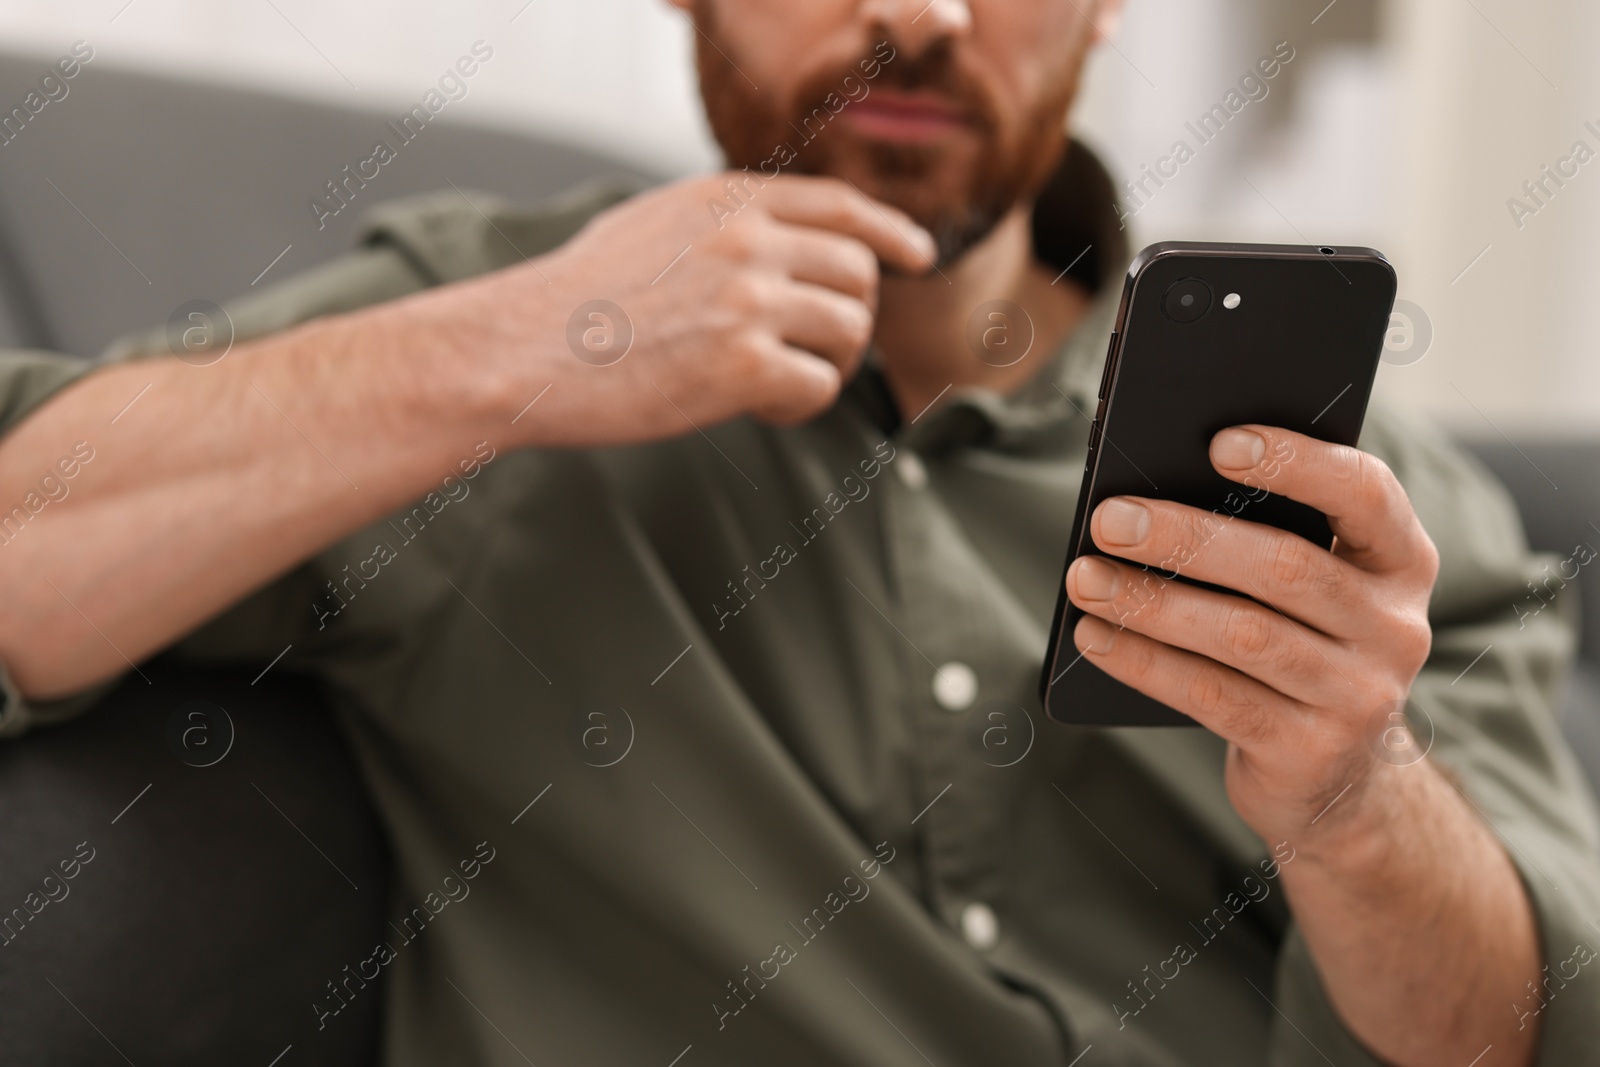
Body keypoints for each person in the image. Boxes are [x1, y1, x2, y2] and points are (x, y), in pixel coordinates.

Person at [1, 1, 1597, 1064]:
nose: (924, 18)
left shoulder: (1365, 489)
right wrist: (520, 355)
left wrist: (1354, 796)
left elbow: (1527, 1029)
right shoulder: (485, 345)